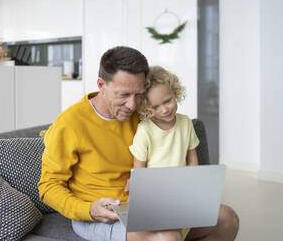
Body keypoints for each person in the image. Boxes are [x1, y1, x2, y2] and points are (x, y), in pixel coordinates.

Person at [38, 46, 239, 241]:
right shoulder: (70, 123)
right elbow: (48, 187)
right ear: (101, 85)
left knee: (227, 219)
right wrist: (89, 209)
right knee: (167, 237)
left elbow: (173, 137)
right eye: (124, 95)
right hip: (101, 216)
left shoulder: (143, 114)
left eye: (139, 94)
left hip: (148, 206)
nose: (132, 105)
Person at [124, 65, 200, 239]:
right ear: (146, 108)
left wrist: (195, 189)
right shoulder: (145, 130)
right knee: (172, 234)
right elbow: (139, 171)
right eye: (155, 107)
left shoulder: (186, 123)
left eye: (167, 101)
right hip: (156, 197)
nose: (165, 110)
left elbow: (193, 160)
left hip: (181, 192)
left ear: (175, 93)